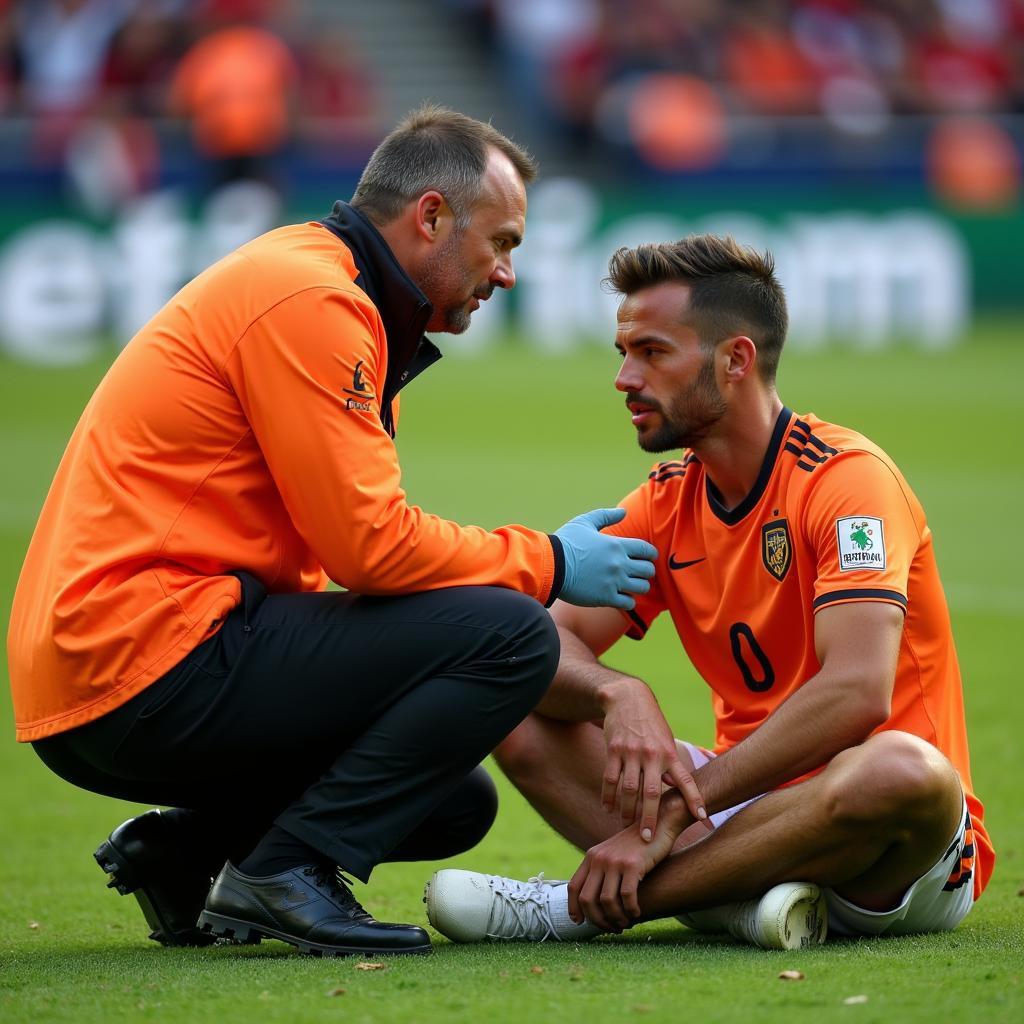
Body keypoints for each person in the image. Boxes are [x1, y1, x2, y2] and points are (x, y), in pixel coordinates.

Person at [5, 106, 672, 958]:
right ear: (429, 216)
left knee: (452, 801)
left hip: (113, 666)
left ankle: (186, 856)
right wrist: (547, 560)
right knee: (508, 636)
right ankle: (284, 872)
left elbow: (345, 564)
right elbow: (370, 549)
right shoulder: (316, 298)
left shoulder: (321, 285)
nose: (506, 274)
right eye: (500, 243)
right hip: (140, 656)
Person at [425, 233, 994, 949]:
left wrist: (666, 821)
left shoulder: (847, 481)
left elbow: (857, 694)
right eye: (623, 353)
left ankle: (576, 908)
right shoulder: (665, 502)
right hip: (733, 814)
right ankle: (734, 901)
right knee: (517, 701)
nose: (624, 378)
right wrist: (616, 692)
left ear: (735, 361)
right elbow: (539, 645)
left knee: (902, 768)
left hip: (889, 850)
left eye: (653, 352)